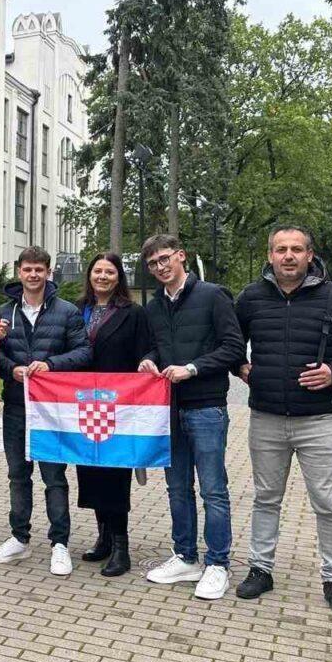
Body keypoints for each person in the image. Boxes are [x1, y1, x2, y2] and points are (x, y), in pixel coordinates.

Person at [233, 226, 332, 617]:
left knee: (328, 503)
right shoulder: (251, 297)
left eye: (296, 249)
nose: (288, 256)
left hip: (319, 419)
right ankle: (260, 569)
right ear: (270, 255)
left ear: (310, 255)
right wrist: (239, 364)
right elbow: (228, 340)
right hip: (266, 417)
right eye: (281, 249)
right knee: (266, 499)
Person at [138, 234, 245, 601]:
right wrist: (148, 359)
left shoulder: (213, 295)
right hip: (167, 407)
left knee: (213, 489)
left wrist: (193, 368)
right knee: (177, 488)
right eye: (153, 264)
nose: (160, 267)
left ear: (181, 256)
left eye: (165, 258)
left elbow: (233, 347)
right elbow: (155, 346)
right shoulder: (154, 306)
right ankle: (186, 557)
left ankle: (218, 563)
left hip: (206, 407)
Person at [0, 247, 91, 573]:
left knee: (54, 477)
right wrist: (11, 369)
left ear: (48, 272)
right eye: (27, 269)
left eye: (39, 270)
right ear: (19, 272)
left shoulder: (67, 311)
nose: (33, 275)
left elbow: (84, 352)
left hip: (52, 409)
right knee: (18, 475)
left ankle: (60, 543)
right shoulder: (4, 312)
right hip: (16, 406)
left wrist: (51, 365)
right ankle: (19, 538)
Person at [75, 252, 152, 577]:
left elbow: (146, 349)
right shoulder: (78, 310)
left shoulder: (133, 313)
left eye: (109, 271)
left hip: (117, 406)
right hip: (82, 404)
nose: (103, 276)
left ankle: (121, 546)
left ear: (119, 277)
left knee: (115, 475)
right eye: (98, 271)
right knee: (91, 471)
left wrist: (147, 361)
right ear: (90, 275)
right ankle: (103, 537)